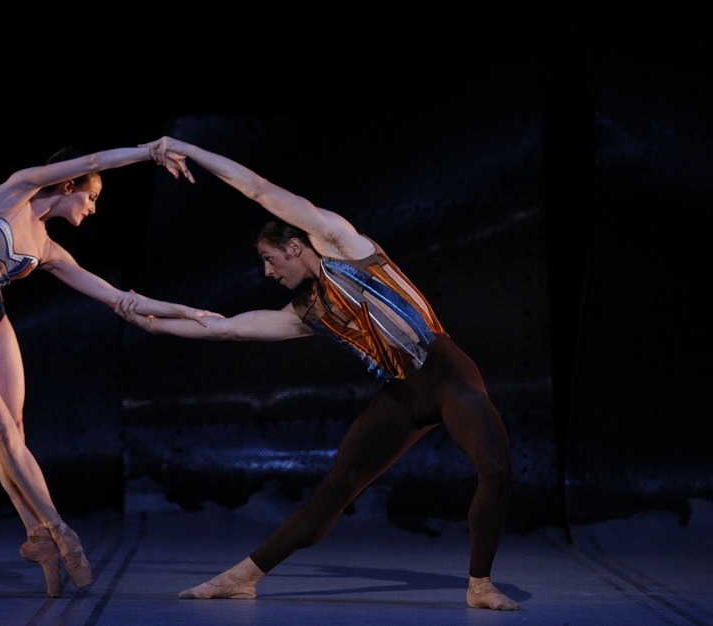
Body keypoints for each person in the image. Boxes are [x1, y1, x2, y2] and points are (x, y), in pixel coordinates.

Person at [117, 136, 520, 611]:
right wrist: (149, 320)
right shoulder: (306, 311)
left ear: (293, 245)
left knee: (495, 468)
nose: (267, 272)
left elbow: (259, 188)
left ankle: (480, 585)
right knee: (335, 489)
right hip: (403, 396)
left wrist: (184, 148)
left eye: (269, 258)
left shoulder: (341, 243)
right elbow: (227, 330)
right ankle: (242, 576)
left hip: (448, 375)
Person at [0, 144, 219, 597]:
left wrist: (187, 310)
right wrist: (151, 152)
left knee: (14, 429)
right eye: (92, 198)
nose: (93, 209)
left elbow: (118, 298)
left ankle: (37, 536)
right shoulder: (13, 192)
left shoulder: (48, 248)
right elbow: (94, 162)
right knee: (0, 429)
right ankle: (59, 531)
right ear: (67, 185)